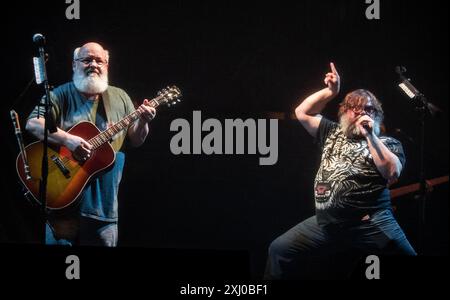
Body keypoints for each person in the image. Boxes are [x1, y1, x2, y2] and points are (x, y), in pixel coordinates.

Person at [264, 62, 417, 279]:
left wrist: (369, 135)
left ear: (377, 115)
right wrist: (330, 92)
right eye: (356, 107)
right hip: (328, 224)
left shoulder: (387, 143)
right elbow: (302, 112)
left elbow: (392, 173)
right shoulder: (331, 132)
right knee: (279, 249)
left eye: (369, 109)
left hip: (369, 224)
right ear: (345, 112)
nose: (362, 112)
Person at [26, 42, 156, 247]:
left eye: (99, 60)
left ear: (107, 65)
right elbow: (33, 123)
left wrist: (144, 122)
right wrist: (68, 139)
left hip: (104, 206)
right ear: (74, 65)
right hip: (63, 200)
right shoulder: (60, 94)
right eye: (87, 59)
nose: (93, 64)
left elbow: (136, 139)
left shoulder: (120, 97)